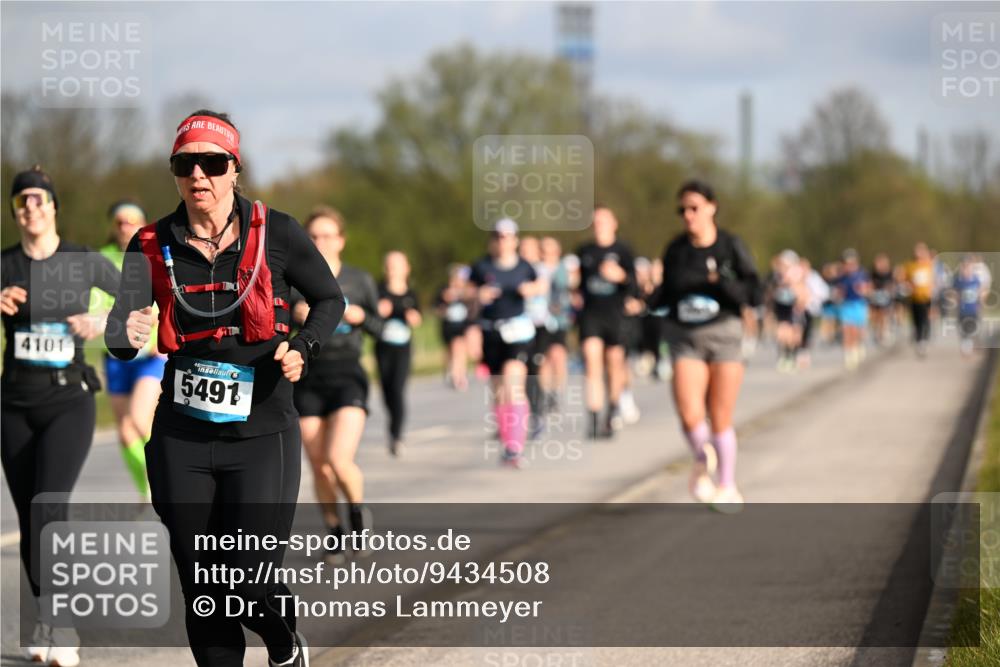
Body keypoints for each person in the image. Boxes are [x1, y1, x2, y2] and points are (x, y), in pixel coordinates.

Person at [106, 110, 344, 667]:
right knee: (203, 588)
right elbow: (120, 333)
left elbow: (330, 300)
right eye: (186, 165)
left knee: (247, 579)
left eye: (213, 164)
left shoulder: (277, 231)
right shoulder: (148, 244)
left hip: (263, 431)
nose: (199, 176)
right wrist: (125, 332)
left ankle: (283, 638)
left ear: (234, 169)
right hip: (182, 436)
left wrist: (303, 346)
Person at [2, 166, 120, 667]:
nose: (32, 207)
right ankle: (46, 620)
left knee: (50, 508)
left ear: (54, 207)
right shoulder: (4, 265)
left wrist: (102, 320)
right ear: (15, 211)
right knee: (31, 519)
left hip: (68, 400)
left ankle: (62, 622)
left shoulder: (82, 260)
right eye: (22, 200)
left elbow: (143, 299)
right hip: (13, 404)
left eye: (39, 199)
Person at [648, 180, 759, 511]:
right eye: (682, 210)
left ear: (712, 207)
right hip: (685, 337)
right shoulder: (676, 250)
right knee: (689, 414)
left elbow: (753, 291)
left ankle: (727, 485)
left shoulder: (730, 246)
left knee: (720, 415)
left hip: (725, 333)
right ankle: (703, 457)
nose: (688, 215)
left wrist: (721, 282)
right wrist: (646, 295)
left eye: (694, 208)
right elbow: (665, 295)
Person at [292, 205, 383, 564]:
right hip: (308, 375)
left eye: (328, 235)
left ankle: (358, 513)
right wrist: (294, 316)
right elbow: (275, 321)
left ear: (341, 240)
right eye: (314, 236)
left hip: (348, 375)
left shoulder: (359, 280)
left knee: (337, 458)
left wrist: (361, 318)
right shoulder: (295, 278)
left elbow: (381, 328)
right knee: (317, 464)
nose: (321, 242)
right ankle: (334, 530)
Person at [91, 200, 166, 501]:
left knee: (138, 419)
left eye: (132, 221)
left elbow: (161, 302)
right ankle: (145, 493)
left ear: (143, 224)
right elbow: (95, 305)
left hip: (150, 355)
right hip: (115, 357)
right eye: (119, 221)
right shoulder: (101, 259)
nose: (125, 227)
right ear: (113, 226)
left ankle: (166, 479)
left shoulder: (153, 254)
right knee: (125, 432)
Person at [470, 219, 543, 468]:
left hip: (519, 332)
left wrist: (530, 289)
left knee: (514, 382)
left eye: (507, 237)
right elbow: (466, 296)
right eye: (498, 237)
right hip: (491, 332)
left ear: (515, 240)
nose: (502, 241)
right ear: (492, 241)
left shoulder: (525, 267)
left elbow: (541, 285)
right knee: (499, 390)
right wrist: (477, 296)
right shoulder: (481, 267)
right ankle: (507, 442)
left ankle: (515, 447)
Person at [574, 206, 636, 438]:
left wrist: (620, 276)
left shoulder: (623, 251)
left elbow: (634, 285)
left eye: (603, 220)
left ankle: (612, 411)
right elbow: (578, 286)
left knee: (614, 365)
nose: (599, 225)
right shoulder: (584, 251)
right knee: (592, 364)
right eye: (596, 221)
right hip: (591, 315)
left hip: (616, 315)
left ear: (614, 223)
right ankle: (592, 417)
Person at [376, 251, 421, 456]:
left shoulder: (411, 294)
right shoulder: (379, 290)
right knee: (386, 392)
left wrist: (412, 316)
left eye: (398, 264)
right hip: (383, 347)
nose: (394, 269)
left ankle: (397, 435)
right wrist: (379, 311)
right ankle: (392, 425)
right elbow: (371, 315)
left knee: (398, 389)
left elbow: (417, 319)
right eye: (390, 265)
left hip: (403, 348)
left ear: (407, 268)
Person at [435, 264, 477, 391]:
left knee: (460, 348)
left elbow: (474, 307)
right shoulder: (444, 291)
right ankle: (452, 371)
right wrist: (446, 303)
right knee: (452, 350)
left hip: (463, 326)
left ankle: (459, 374)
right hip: (449, 326)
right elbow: (437, 309)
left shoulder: (468, 291)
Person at [835, 249, 871, 371]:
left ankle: (856, 347)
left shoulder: (862, 274)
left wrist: (863, 290)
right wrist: (839, 295)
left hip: (859, 304)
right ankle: (848, 354)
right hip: (846, 305)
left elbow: (868, 289)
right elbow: (839, 291)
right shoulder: (841, 277)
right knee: (846, 330)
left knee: (856, 331)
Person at [904, 242, 936, 357]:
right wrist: (908, 285)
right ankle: (918, 340)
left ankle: (924, 340)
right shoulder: (910, 265)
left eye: (921, 251)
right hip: (914, 297)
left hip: (926, 297)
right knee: (916, 320)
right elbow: (905, 279)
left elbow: (934, 279)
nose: (919, 253)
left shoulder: (929, 265)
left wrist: (932, 289)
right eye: (917, 251)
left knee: (925, 318)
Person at [953, 255, 985, 357]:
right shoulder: (958, 280)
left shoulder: (976, 279)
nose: (966, 269)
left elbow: (980, 292)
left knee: (972, 328)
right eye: (964, 266)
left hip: (973, 309)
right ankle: (965, 347)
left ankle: (969, 346)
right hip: (962, 309)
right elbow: (955, 293)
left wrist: (980, 303)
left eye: (968, 266)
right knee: (962, 328)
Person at [869, 253, 895, 346]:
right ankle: (876, 330)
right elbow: (870, 283)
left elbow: (892, 284)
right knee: (875, 315)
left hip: (885, 297)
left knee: (883, 314)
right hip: (875, 296)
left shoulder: (889, 273)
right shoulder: (873, 273)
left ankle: (882, 332)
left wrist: (889, 291)